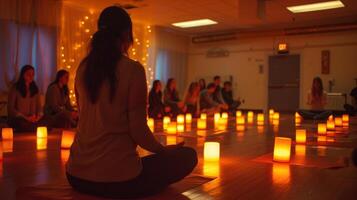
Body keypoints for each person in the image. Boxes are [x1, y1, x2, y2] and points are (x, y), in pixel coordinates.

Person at [66, 6, 197, 199]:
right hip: (118, 181)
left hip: (76, 175)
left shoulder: (83, 68)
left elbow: (82, 118)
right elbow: (138, 130)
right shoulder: (133, 70)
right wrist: (163, 151)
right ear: (127, 34)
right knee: (188, 156)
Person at [7, 65, 48, 132]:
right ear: (23, 75)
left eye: (33, 74)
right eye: (28, 74)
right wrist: (26, 118)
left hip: (32, 118)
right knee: (22, 123)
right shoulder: (15, 88)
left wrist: (38, 117)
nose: (31, 76)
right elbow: (11, 108)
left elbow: (39, 107)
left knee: (47, 119)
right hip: (20, 118)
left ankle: (33, 127)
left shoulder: (35, 88)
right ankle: (31, 128)